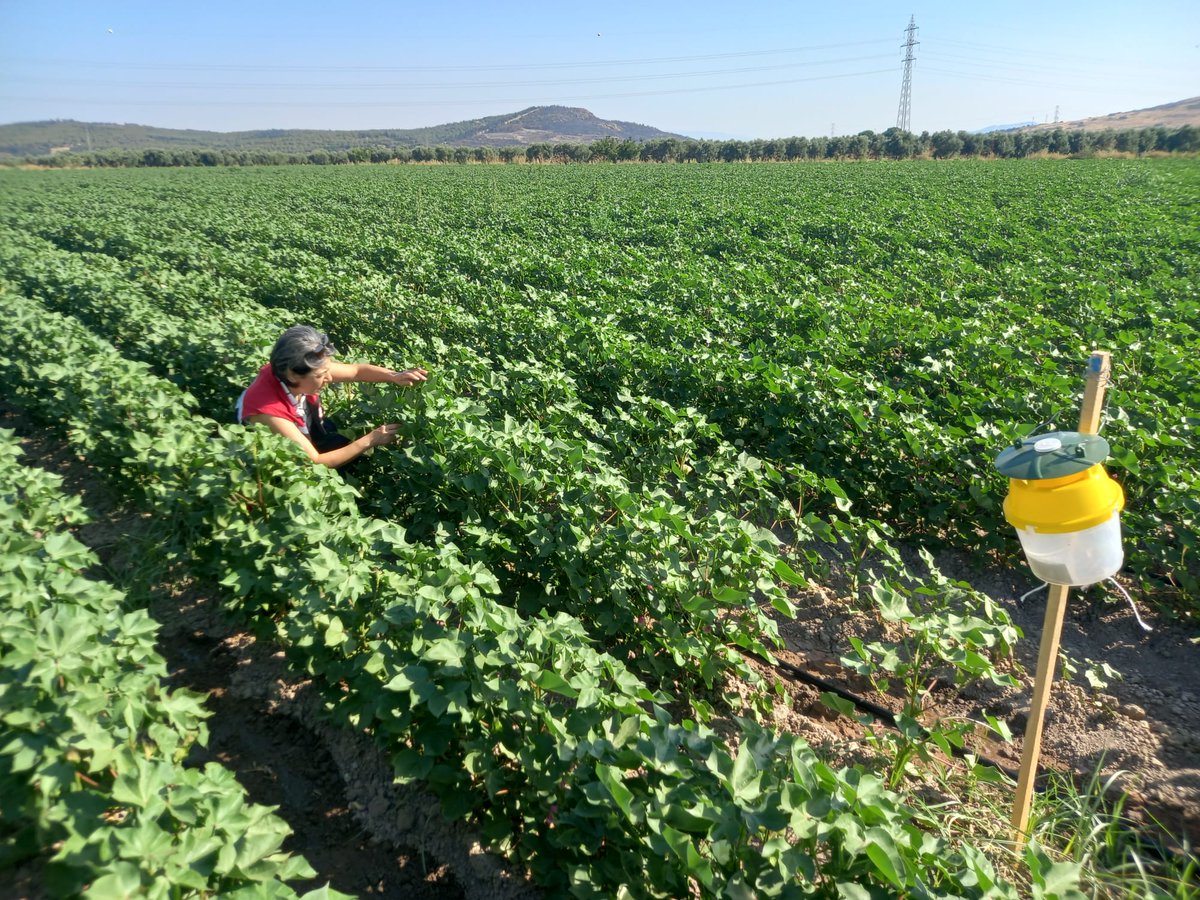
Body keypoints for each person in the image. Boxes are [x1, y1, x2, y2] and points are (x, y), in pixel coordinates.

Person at [236, 325, 427, 468]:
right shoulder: (268, 412)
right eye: (320, 375)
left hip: (302, 413)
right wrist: (372, 439)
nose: (329, 377)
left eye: (328, 369)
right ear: (293, 375)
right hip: (275, 455)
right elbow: (316, 462)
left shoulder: (301, 368)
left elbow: (356, 371)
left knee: (333, 439)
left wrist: (394, 376)